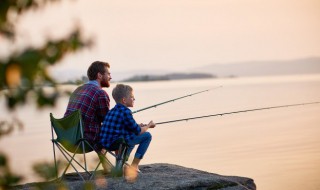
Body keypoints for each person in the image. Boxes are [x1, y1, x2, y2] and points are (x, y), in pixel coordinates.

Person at [100, 84, 156, 177]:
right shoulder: (126, 111)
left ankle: (121, 164)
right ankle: (134, 166)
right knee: (147, 136)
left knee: (130, 135)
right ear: (124, 100)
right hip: (117, 143)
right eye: (132, 97)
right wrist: (149, 125)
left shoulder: (112, 111)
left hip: (105, 144)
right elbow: (138, 131)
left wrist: (138, 125)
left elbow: (123, 125)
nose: (134, 99)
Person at [64, 61, 112, 151]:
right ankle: (121, 164)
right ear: (99, 75)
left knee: (96, 129)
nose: (111, 77)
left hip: (68, 139)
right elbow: (107, 121)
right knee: (119, 132)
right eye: (108, 74)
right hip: (85, 141)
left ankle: (107, 165)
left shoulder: (78, 89)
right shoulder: (100, 93)